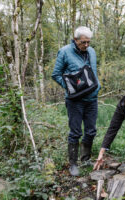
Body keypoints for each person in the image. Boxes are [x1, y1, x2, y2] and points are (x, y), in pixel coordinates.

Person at [52, 26, 100, 176]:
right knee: (75, 132)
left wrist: (98, 86)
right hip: (75, 101)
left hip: (92, 99)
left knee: (91, 130)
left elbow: (94, 72)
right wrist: (69, 87)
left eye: (88, 42)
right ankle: (73, 164)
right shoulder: (65, 51)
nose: (86, 45)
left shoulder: (91, 52)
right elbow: (56, 74)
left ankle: (85, 159)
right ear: (75, 40)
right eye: (83, 42)